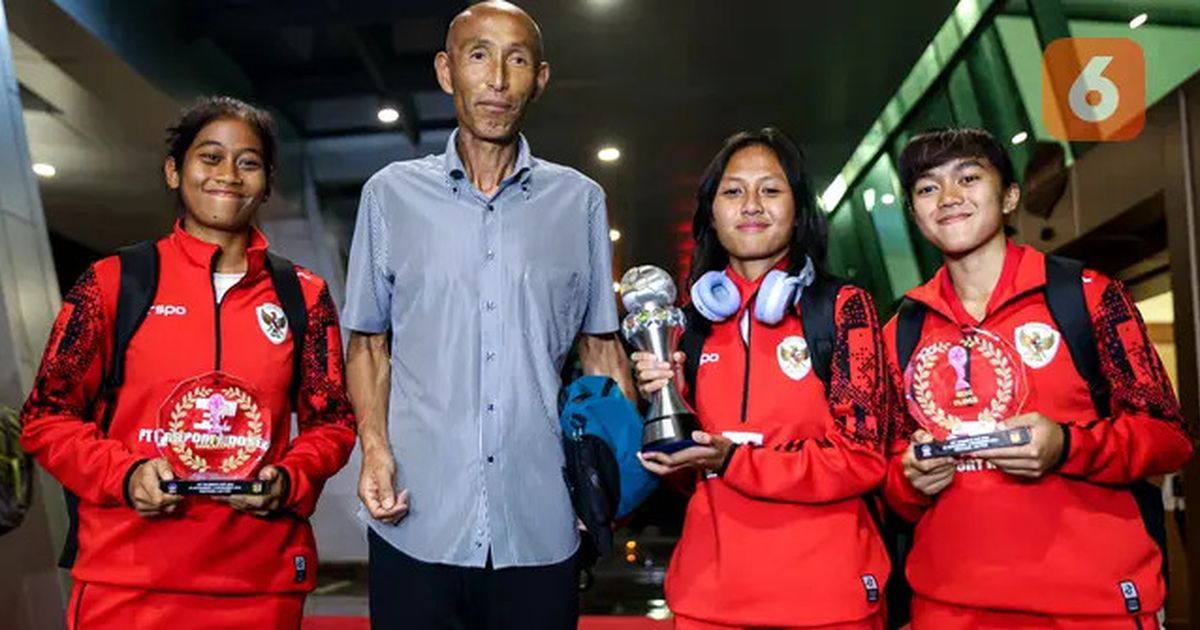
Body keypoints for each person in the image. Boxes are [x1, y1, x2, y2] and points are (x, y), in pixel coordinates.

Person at [342, 2, 633, 628]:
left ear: (541, 79)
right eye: (479, 55)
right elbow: (367, 344)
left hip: (543, 521)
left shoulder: (580, 201)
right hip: (414, 518)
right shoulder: (389, 195)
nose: (498, 78)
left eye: (517, 59)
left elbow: (602, 353)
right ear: (447, 72)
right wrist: (373, 450)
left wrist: (614, 483)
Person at [20, 96, 357, 629]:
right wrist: (125, 474)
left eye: (248, 163)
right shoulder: (112, 284)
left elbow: (333, 422)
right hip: (128, 584)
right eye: (211, 157)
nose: (228, 175)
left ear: (266, 182)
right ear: (175, 171)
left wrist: (290, 478)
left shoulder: (304, 296)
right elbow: (46, 415)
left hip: (259, 584)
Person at [882, 127, 1194, 628]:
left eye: (968, 177)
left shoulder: (1088, 298)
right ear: (914, 212)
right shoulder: (899, 332)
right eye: (927, 187)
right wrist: (911, 479)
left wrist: (1067, 446)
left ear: (1008, 197)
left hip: (1090, 609)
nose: (948, 198)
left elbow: (1168, 436)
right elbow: (890, 474)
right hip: (948, 611)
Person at [633, 128, 891, 630]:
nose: (751, 204)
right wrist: (667, 415)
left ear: (799, 208)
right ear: (712, 212)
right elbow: (685, 479)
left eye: (770, 190)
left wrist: (735, 460)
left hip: (828, 602)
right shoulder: (689, 327)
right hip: (708, 603)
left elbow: (863, 460)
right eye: (733, 191)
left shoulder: (842, 310)